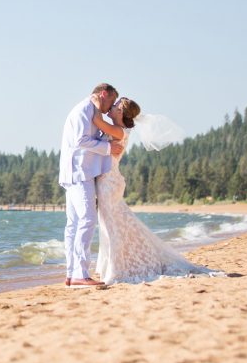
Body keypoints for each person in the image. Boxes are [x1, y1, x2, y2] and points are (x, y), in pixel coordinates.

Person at [91, 97, 219, 284]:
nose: (111, 106)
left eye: (115, 105)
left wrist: (94, 101)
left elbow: (97, 121)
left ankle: (117, 268)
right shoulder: (120, 130)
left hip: (109, 184)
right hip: (109, 182)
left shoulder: (118, 131)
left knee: (112, 227)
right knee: (113, 225)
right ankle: (114, 265)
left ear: (120, 112)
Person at [58, 83, 124, 288]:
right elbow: (80, 140)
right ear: (104, 94)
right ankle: (80, 273)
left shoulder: (91, 111)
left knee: (74, 224)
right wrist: (107, 147)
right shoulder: (86, 109)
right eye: (111, 101)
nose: (110, 106)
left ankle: (72, 273)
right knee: (86, 219)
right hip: (79, 172)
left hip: (77, 171)